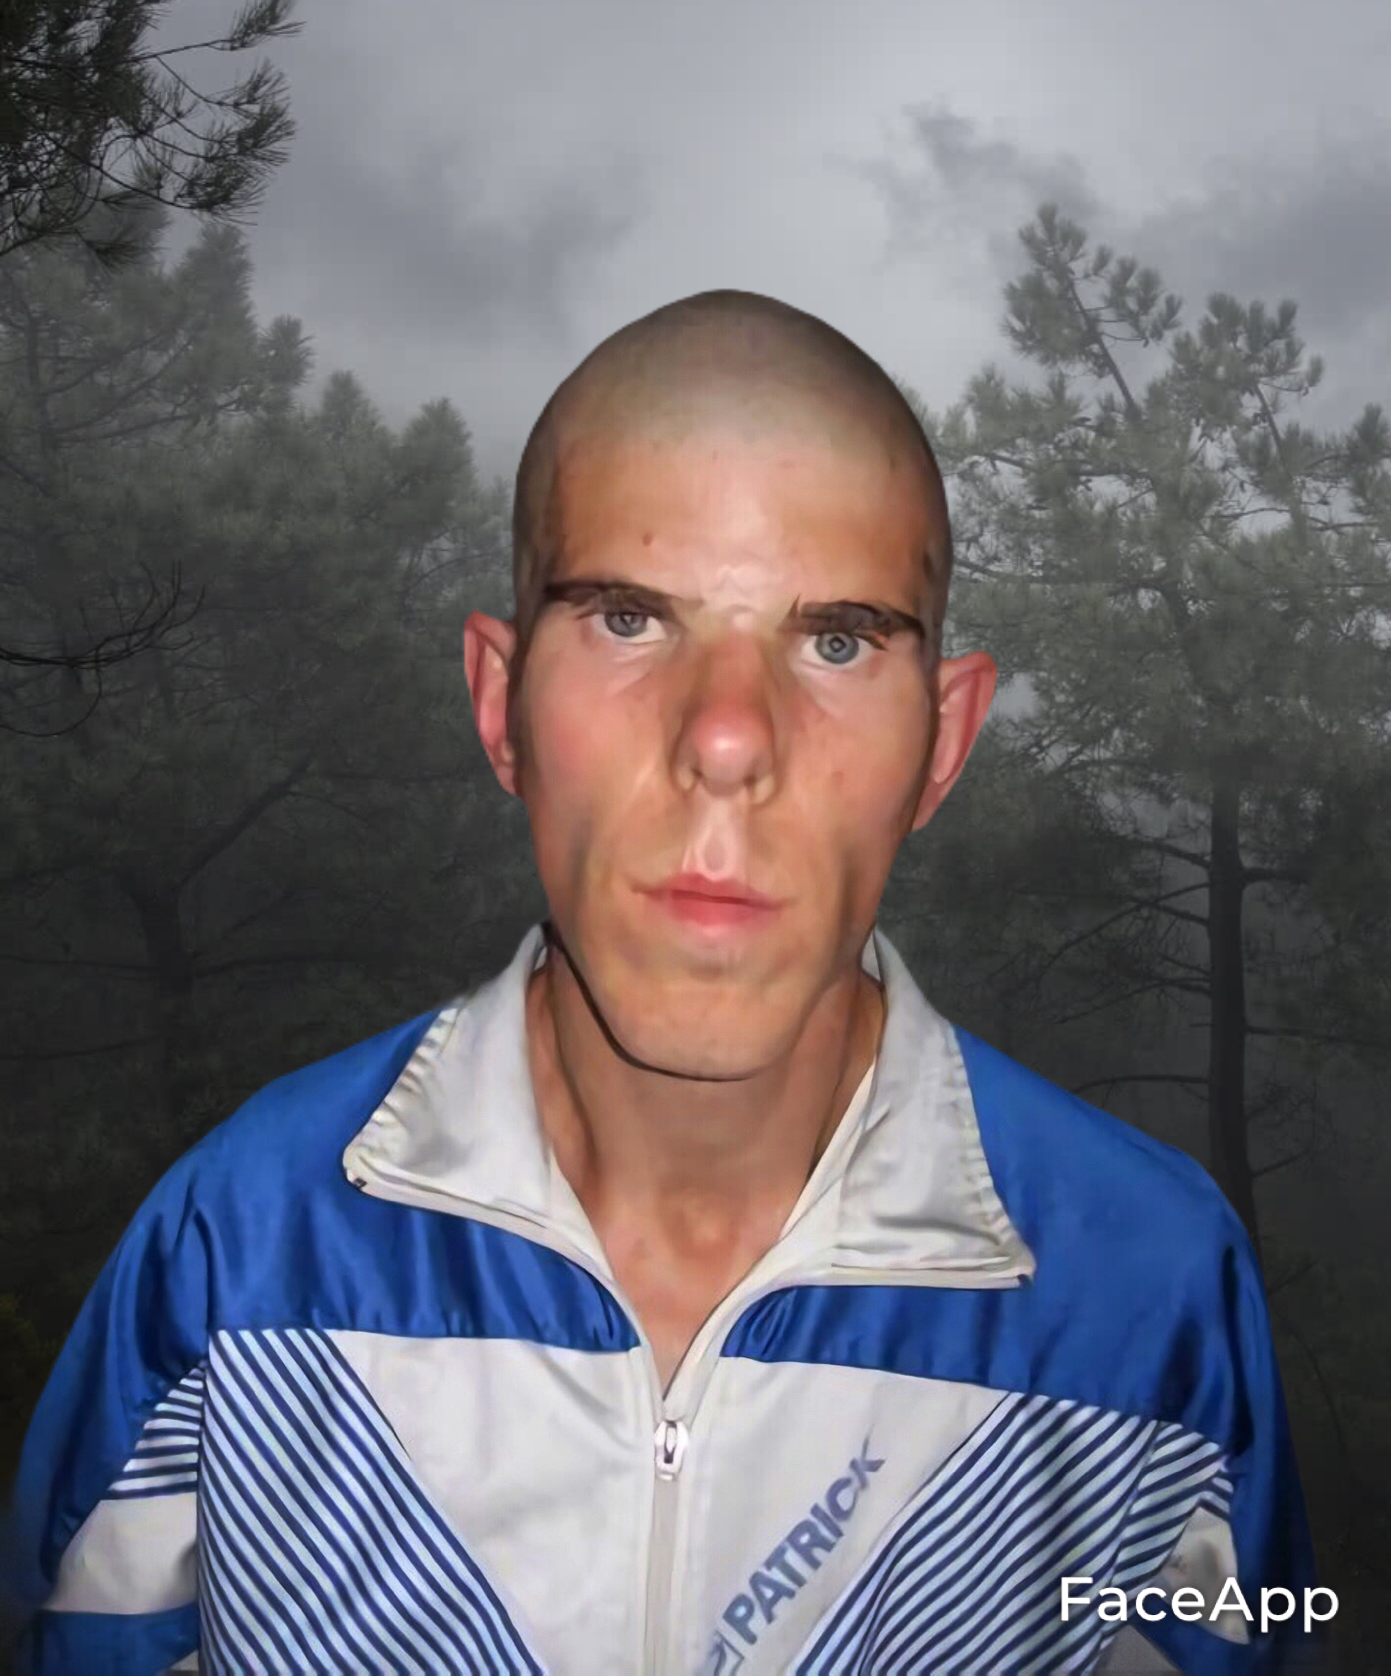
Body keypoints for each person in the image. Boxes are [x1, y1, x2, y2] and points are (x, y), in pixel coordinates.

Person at [7, 292, 1320, 1675]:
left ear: (943, 745)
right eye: (629, 618)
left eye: (837, 639)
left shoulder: (1155, 1293)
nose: (730, 738)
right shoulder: (236, 1247)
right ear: (500, 705)